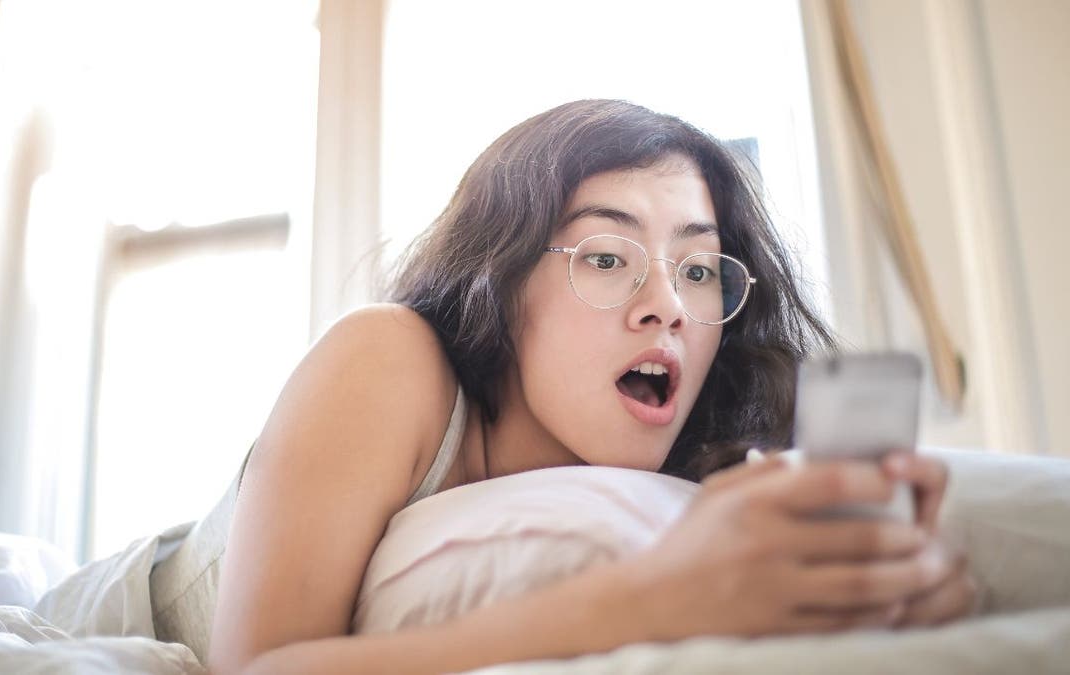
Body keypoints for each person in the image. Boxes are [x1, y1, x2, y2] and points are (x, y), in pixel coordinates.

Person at [207, 100, 978, 674]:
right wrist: (651, 599)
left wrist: (898, 594)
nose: (670, 306)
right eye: (607, 256)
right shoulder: (386, 357)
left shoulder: (705, 462)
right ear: (500, 281)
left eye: (700, 269)